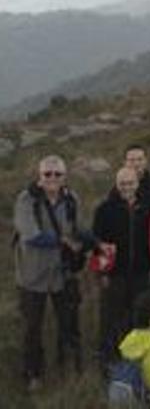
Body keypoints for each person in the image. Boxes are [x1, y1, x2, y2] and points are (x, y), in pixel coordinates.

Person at [13, 155, 91, 390]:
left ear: (65, 177)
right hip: (32, 275)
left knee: (68, 323)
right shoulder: (26, 200)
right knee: (32, 328)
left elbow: (79, 229)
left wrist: (97, 245)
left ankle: (67, 367)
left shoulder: (71, 199)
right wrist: (64, 241)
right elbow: (31, 235)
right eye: (47, 174)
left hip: (62, 273)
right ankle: (33, 373)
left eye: (57, 174)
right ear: (39, 176)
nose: (52, 178)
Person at [92, 167, 150, 369]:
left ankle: (134, 359)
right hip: (115, 274)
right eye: (122, 183)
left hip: (140, 272)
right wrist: (102, 273)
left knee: (137, 317)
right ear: (116, 184)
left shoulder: (147, 208)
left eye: (130, 183)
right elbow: (97, 243)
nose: (126, 187)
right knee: (110, 319)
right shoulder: (104, 209)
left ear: (137, 183)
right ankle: (107, 361)